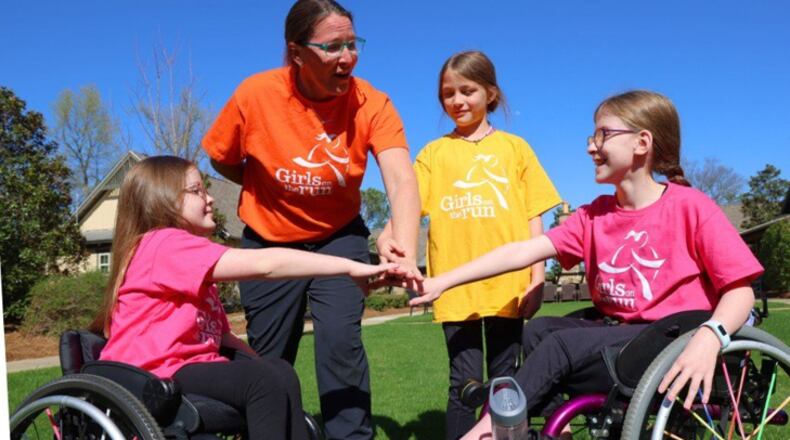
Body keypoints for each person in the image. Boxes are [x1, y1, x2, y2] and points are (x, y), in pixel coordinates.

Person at [402, 90, 764, 439]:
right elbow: (520, 252)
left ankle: (487, 433)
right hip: (623, 335)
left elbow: (740, 289)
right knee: (537, 331)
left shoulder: (690, 206)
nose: (591, 146)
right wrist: (444, 280)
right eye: (592, 135)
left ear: (642, 143)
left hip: (676, 337)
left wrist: (710, 336)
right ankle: (547, 428)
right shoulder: (595, 216)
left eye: (603, 134)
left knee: (560, 348)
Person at [201, 1, 421, 438]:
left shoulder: (371, 103)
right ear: (297, 52)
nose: (347, 57)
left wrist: (407, 250)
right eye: (332, 46)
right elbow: (220, 157)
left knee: (341, 344)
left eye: (352, 44)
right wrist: (260, 182)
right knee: (269, 359)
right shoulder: (256, 94)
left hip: (338, 238)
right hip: (269, 242)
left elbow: (400, 178)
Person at [94, 156, 398, 440]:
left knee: (279, 371)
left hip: (183, 367)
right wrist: (348, 266)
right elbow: (266, 265)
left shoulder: (188, 260)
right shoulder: (163, 244)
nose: (210, 198)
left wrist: (263, 364)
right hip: (150, 375)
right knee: (262, 381)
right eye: (197, 191)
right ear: (163, 201)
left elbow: (223, 335)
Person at [379, 50, 560, 439]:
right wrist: (388, 230)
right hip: (454, 289)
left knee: (505, 384)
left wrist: (536, 277)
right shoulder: (434, 154)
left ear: (490, 94)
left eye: (468, 90)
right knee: (463, 383)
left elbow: (534, 217)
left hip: (507, 288)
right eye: (448, 93)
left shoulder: (516, 149)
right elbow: (409, 204)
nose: (457, 101)